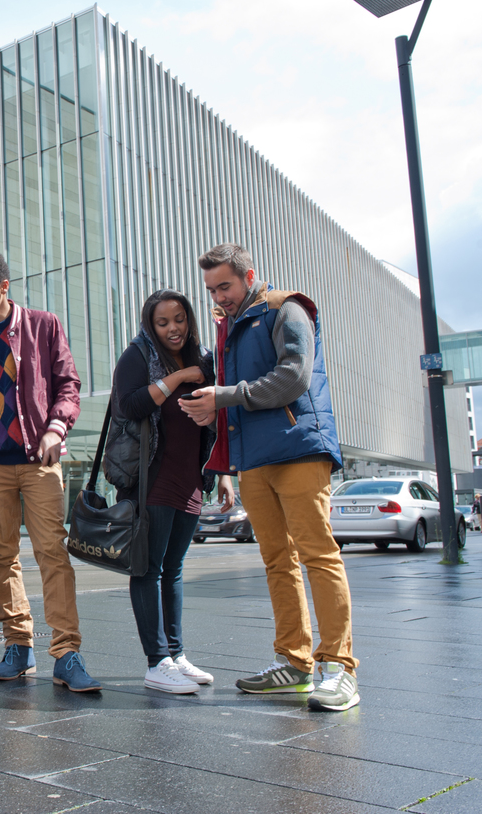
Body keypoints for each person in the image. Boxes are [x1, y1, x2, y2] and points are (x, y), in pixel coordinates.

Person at [180, 243, 359, 712]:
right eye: (211, 290)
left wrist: (224, 397)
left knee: (318, 556)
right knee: (278, 561)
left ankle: (339, 669)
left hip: (299, 449)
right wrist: (217, 423)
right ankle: (295, 664)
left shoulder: (287, 308)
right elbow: (238, 397)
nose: (218, 297)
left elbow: (295, 377)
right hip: (254, 459)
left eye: (225, 286)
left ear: (249, 275)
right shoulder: (229, 325)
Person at [0, 252, 101, 693]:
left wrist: (56, 429)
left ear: (4, 286)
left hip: (40, 462)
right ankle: (18, 646)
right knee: (2, 555)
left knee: (52, 552)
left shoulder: (43, 325)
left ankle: (66, 653)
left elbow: (68, 384)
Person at [107, 289, 235, 694]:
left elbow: (218, 419)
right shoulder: (138, 355)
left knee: (174, 568)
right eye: (162, 322)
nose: (173, 328)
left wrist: (223, 474)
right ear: (151, 325)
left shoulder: (203, 358)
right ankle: (156, 661)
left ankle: (176, 655)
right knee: (148, 568)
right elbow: (129, 406)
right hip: (152, 478)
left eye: (179, 319)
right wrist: (178, 378)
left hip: (191, 477)